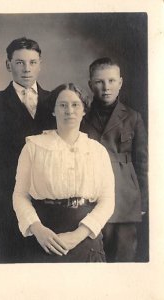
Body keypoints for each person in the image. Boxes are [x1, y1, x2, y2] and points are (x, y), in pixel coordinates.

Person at [12, 83, 115, 263]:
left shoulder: (97, 151)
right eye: (63, 105)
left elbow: (107, 200)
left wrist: (79, 234)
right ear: (53, 110)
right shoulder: (33, 147)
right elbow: (20, 195)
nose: (69, 110)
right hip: (44, 237)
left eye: (75, 105)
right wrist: (37, 229)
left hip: (85, 237)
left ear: (84, 110)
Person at [0, 37, 52, 263]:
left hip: (49, 201)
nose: (27, 69)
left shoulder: (56, 101)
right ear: (8, 65)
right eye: (19, 62)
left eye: (33, 62)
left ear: (40, 64)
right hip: (6, 201)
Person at [81, 57, 148, 262]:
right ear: (91, 84)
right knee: (93, 257)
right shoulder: (81, 116)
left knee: (122, 258)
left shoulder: (133, 117)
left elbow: (142, 163)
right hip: (91, 197)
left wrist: (142, 201)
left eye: (111, 81)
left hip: (124, 199)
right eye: (100, 82)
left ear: (120, 82)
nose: (106, 87)